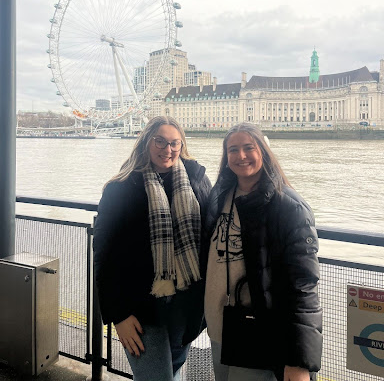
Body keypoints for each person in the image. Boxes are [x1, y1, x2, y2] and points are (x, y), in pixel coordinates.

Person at [93, 116, 212, 381]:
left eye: (173, 143)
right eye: (159, 141)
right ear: (146, 142)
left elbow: (212, 231)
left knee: (174, 373)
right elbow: (104, 254)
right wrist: (118, 315)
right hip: (140, 309)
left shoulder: (197, 180)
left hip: (186, 305)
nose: (167, 149)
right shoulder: (121, 188)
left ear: (181, 145)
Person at [203, 123, 322, 381]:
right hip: (219, 329)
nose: (241, 156)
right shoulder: (219, 196)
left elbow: (302, 286)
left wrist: (299, 360)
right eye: (233, 149)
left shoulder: (289, 207)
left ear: (264, 152)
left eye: (249, 148)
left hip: (258, 331)